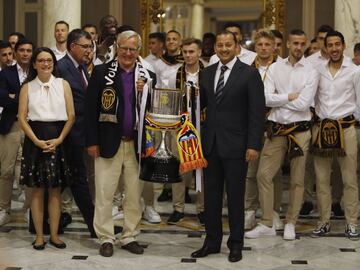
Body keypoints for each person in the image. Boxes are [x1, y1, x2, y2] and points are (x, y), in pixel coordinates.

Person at [191, 30, 264, 262]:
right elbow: (195, 104)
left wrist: (253, 144)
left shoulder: (250, 74)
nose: (223, 49)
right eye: (219, 45)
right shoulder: (207, 73)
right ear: (215, 48)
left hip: (237, 146)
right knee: (211, 198)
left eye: (228, 45)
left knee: (234, 197)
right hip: (210, 145)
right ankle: (211, 242)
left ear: (236, 46)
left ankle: (235, 244)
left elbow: (256, 113)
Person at [85, 30, 156, 257]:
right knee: (105, 193)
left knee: (134, 194)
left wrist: (146, 93)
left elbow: (155, 110)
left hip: (136, 144)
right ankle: (106, 237)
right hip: (107, 143)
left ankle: (129, 236)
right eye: (123, 48)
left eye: (132, 49)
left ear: (138, 51)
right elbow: (89, 110)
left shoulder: (148, 75)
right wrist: (92, 141)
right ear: (117, 47)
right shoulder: (101, 72)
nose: (127, 53)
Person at [245, 29, 318, 241]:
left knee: (297, 179)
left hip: (301, 130)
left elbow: (305, 103)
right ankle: (267, 221)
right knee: (263, 175)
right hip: (276, 129)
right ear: (286, 44)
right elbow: (266, 98)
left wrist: (281, 99)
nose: (298, 47)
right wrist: (289, 96)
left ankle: (291, 222)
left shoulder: (311, 71)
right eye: (294, 43)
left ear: (305, 45)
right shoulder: (275, 68)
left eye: (302, 43)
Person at [18, 47, 75, 250]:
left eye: (49, 60)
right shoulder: (27, 87)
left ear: (53, 63)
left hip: (58, 138)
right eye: (41, 60)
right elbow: (22, 118)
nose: (45, 64)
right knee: (37, 190)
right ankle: (39, 236)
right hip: (36, 139)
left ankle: (54, 235)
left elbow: (71, 115)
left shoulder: (63, 84)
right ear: (34, 64)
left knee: (55, 190)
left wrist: (59, 139)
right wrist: (35, 140)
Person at [311, 31, 360, 240]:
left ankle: (352, 223)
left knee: (349, 179)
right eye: (330, 45)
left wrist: (352, 122)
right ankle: (323, 222)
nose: (334, 49)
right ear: (325, 48)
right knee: (322, 180)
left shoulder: (355, 71)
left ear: (344, 45)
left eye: (337, 44)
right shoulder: (317, 69)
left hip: (346, 128)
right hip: (321, 129)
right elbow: (312, 97)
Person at [57, 29, 97, 237]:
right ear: (72, 46)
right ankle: (94, 227)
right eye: (85, 47)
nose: (89, 51)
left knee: (73, 180)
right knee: (77, 180)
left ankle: (93, 226)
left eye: (90, 47)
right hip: (67, 135)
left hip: (80, 134)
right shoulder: (61, 67)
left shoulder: (82, 68)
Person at [245, 30, 283, 231]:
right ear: (255, 47)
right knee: (251, 170)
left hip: (273, 124)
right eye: (260, 45)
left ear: (274, 46)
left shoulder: (282, 68)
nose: (264, 48)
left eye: (268, 44)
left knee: (272, 172)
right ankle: (250, 210)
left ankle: (273, 210)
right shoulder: (247, 69)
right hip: (251, 124)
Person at [0, 38, 33, 226]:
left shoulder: (37, 72)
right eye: (21, 50)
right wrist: (23, 100)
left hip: (32, 126)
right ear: (16, 52)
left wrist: (15, 97)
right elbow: (2, 98)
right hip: (11, 125)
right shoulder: (6, 73)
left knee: (29, 169)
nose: (25, 54)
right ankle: (4, 209)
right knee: (6, 170)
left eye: (29, 50)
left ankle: (29, 208)